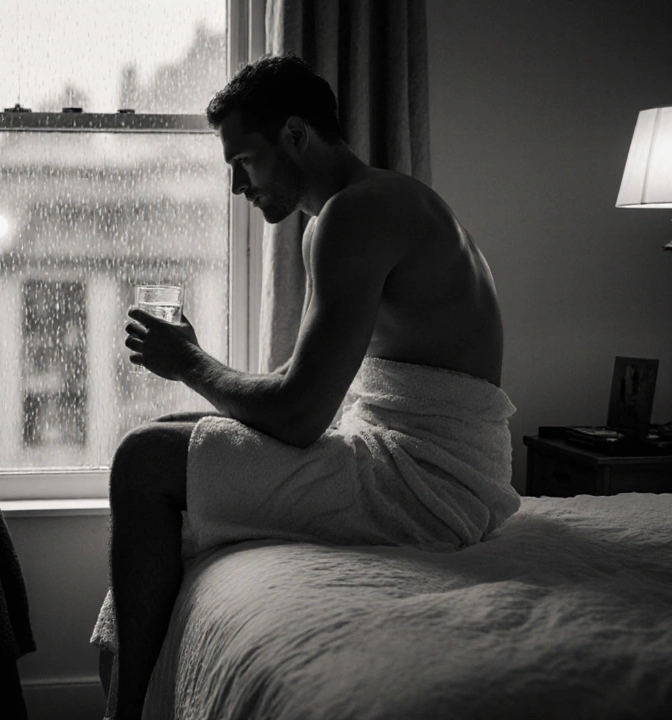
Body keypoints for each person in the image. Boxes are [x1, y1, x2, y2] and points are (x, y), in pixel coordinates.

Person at [99, 55, 520, 720]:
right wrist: (196, 376)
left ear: (295, 135)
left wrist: (192, 362)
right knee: (167, 437)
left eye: (244, 162)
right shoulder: (352, 213)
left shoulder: (357, 217)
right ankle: (132, 696)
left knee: (141, 461)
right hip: (409, 457)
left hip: (431, 487)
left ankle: (123, 715)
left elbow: (297, 415)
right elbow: (306, 392)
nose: (237, 186)